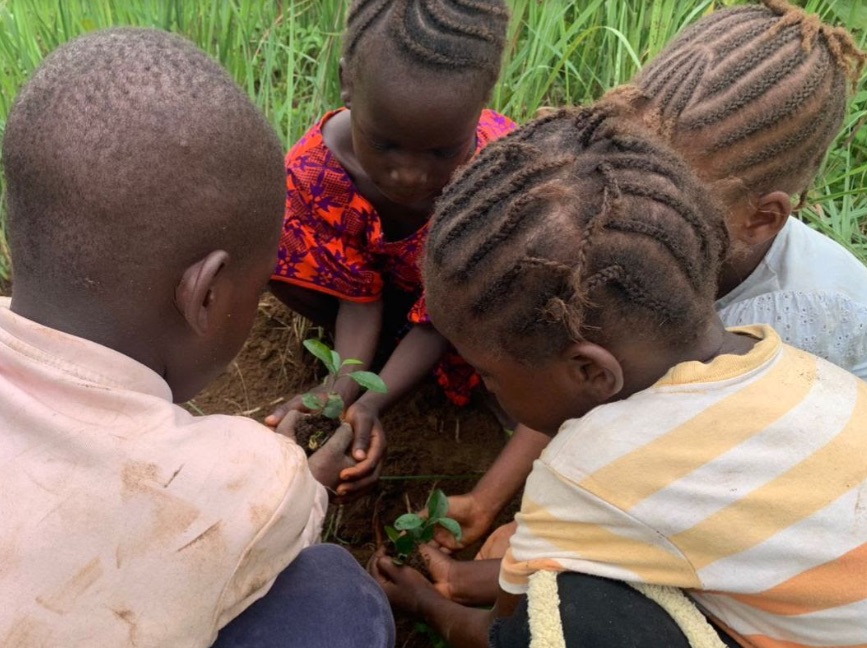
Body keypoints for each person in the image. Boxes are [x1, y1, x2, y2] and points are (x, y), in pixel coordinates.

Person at [369, 105, 867, 647]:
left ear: (589, 370)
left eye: (487, 373)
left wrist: (427, 604)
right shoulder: (800, 368)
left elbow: (506, 631)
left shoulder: (585, 472)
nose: (487, 385)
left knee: (577, 613)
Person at [0, 28, 393, 648]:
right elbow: (272, 509)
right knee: (335, 596)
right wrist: (295, 474)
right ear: (206, 295)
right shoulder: (245, 476)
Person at [433, 0, 867, 558]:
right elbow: (566, 357)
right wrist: (490, 498)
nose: (629, 200)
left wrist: (536, 553)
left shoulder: (794, 329)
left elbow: (720, 513)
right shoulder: (630, 244)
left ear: (759, 218)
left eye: (666, 191)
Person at [266, 0, 516, 496]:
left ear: (482, 100)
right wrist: (339, 392)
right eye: (385, 145)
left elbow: (445, 311)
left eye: (443, 151)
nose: (410, 175)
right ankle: (381, 351)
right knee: (278, 245)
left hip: (458, 301)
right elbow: (358, 298)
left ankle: (420, 367)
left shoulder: (493, 172)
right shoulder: (316, 173)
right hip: (382, 292)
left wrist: (375, 402)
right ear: (347, 84)